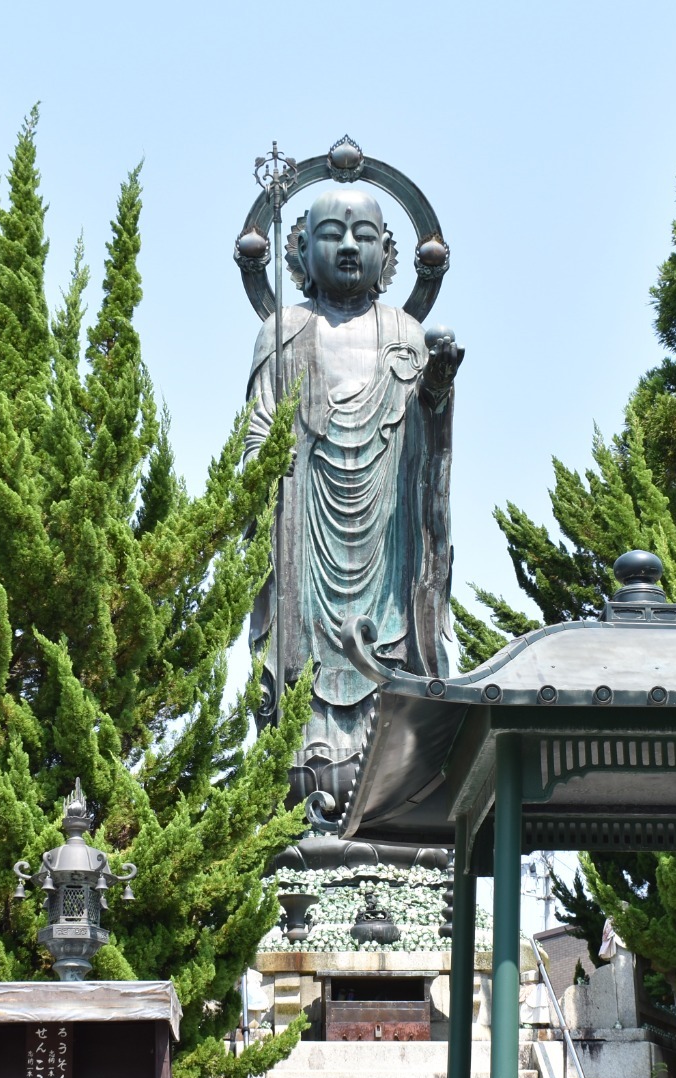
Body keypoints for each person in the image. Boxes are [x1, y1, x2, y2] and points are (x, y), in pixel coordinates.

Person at [245, 187, 461, 813]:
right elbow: (258, 430)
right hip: (304, 544)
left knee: (394, 659)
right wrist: (263, 465)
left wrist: (438, 391)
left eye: (361, 234)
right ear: (300, 250)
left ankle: (393, 774)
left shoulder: (405, 332)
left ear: (386, 252)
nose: (345, 246)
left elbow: (428, 450)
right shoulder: (282, 330)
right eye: (330, 233)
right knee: (301, 678)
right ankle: (308, 770)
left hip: (388, 544)